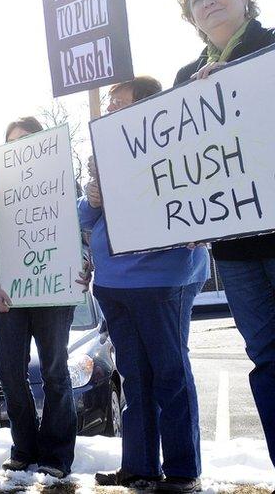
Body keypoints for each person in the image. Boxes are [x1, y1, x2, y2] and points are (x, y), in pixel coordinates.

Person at [85, 77, 210, 493]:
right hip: (114, 285)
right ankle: (138, 466)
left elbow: (203, 197)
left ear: (146, 105)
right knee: (134, 376)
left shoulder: (176, 140)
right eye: (107, 102)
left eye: (118, 102)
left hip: (163, 279)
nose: (109, 109)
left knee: (170, 373)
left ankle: (182, 470)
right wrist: (92, 198)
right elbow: (84, 221)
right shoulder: (103, 153)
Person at [174, 0, 275, 470]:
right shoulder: (184, 80)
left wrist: (233, 83)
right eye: (197, 0)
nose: (207, 3)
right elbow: (177, 166)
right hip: (234, 250)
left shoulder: (273, 47)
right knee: (266, 359)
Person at [0, 117, 77, 479]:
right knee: (10, 373)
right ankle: (24, 446)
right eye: (11, 142)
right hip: (10, 298)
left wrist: (83, 266)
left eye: (26, 140)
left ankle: (57, 454)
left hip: (53, 294)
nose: (18, 147)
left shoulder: (63, 181)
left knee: (54, 372)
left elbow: (78, 233)